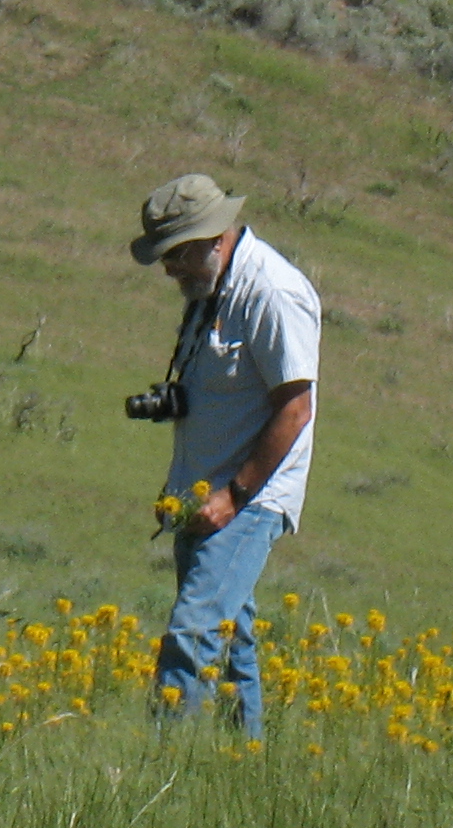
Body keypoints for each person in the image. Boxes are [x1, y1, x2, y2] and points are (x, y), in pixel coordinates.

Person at [127, 173, 318, 739]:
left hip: (247, 497)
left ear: (215, 239)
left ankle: (164, 765)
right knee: (233, 641)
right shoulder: (214, 290)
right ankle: (244, 763)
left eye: (177, 254)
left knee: (193, 633)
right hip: (202, 493)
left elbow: (295, 408)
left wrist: (234, 495)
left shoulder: (272, 292)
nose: (169, 269)